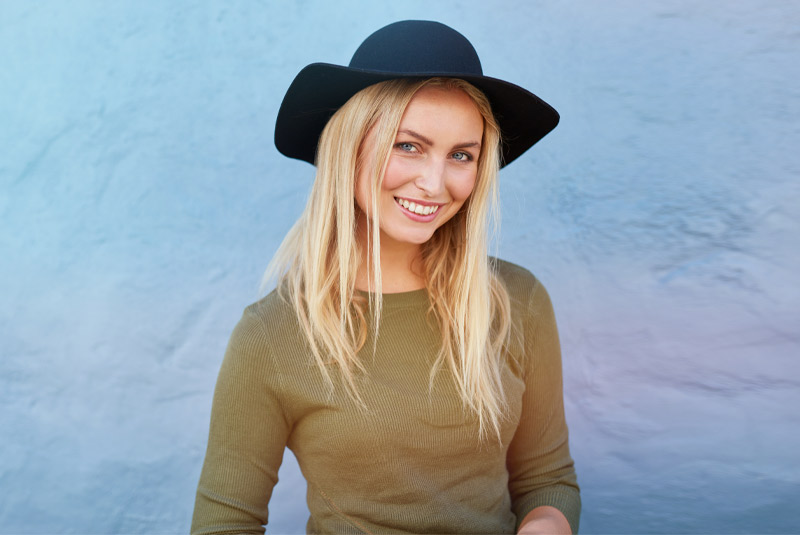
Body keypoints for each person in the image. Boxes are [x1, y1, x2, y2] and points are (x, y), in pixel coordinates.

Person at [191, 20, 580, 535]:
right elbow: (226, 522)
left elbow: (545, 478)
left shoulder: (517, 301)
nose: (435, 183)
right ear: (349, 147)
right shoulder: (272, 335)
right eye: (408, 145)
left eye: (462, 155)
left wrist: (546, 524)